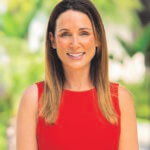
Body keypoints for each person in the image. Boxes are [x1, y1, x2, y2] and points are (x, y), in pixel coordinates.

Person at [16, 0, 139, 149]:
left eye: (84, 33)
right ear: (52, 40)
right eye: (65, 34)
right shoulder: (33, 99)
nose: (75, 43)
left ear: (98, 38)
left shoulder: (121, 99)